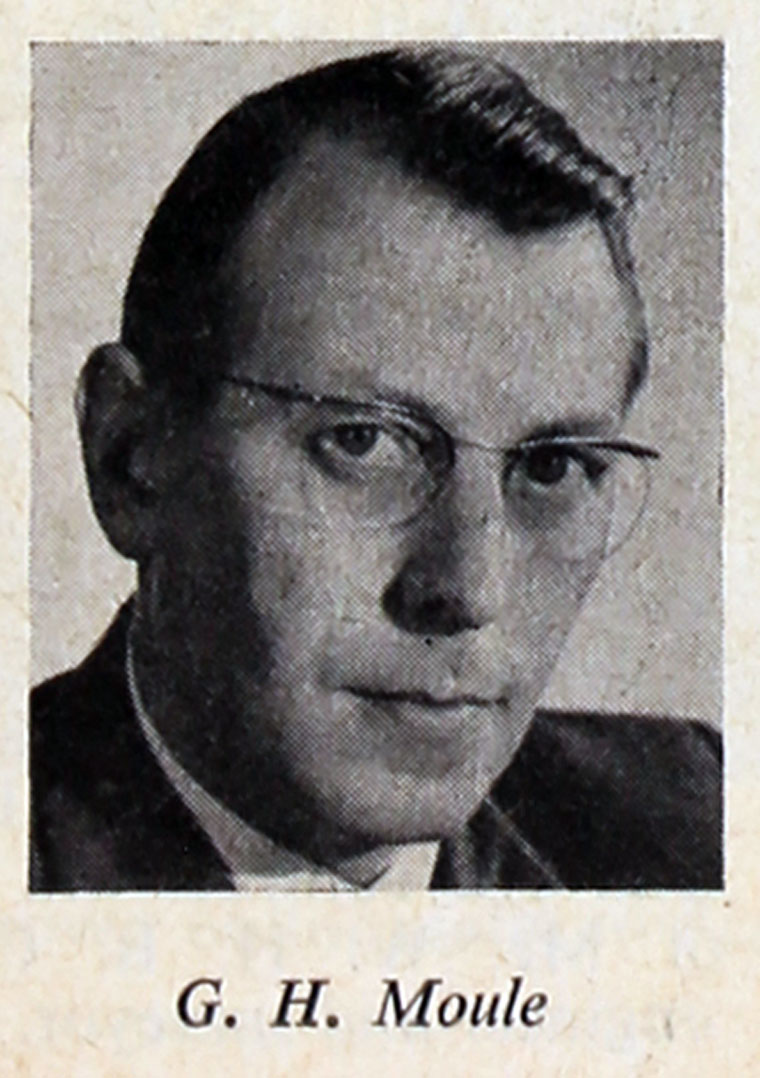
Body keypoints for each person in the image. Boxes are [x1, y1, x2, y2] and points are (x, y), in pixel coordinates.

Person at [30, 46, 722, 892]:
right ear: (131, 459)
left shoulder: (699, 825)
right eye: (362, 443)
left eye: (552, 467)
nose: (470, 590)